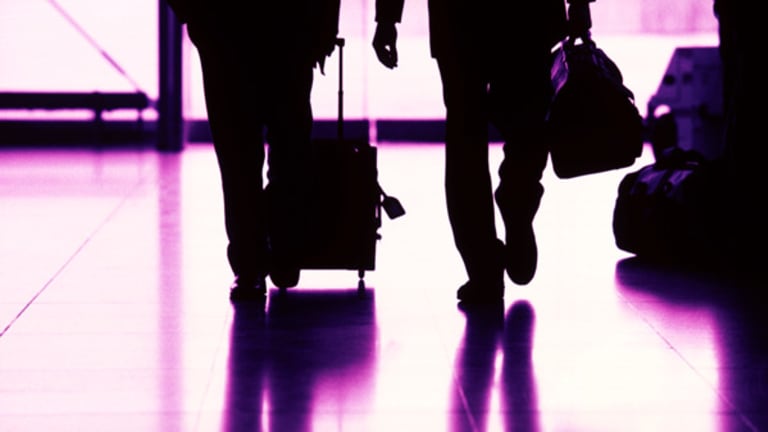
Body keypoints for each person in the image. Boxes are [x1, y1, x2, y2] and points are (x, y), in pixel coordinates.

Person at [373, 0, 567, 303]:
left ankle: (483, 268)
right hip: (526, 17)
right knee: (527, 124)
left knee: (466, 140)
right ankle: (519, 198)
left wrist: (387, 18)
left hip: (458, 20)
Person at [164, 0, 341, 300]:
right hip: (288, 28)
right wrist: (324, 26)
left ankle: (251, 262)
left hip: (226, 28)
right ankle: (282, 249)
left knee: (239, 155)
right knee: (288, 144)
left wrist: (195, 18)